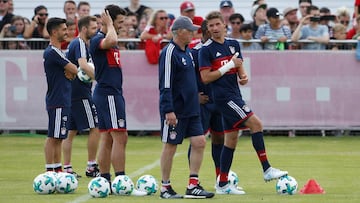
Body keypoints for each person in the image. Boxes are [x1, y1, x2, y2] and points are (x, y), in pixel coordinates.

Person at [198, 11, 288, 195]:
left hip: (235, 93)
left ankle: (222, 184)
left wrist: (242, 75)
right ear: (208, 28)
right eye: (211, 26)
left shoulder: (233, 44)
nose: (214, 28)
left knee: (231, 139)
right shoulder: (205, 50)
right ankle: (267, 169)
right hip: (224, 97)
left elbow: (238, 63)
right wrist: (229, 66)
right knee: (256, 124)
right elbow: (206, 78)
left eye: (217, 24)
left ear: (224, 25)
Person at [89, 4, 146, 196]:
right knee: (120, 136)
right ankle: (121, 182)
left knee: (107, 137)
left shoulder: (109, 39)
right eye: (120, 21)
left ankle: (105, 181)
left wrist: (111, 25)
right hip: (109, 94)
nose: (123, 25)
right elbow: (111, 38)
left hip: (110, 93)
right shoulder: (99, 38)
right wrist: (109, 25)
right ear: (110, 21)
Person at [158, 15, 214, 199]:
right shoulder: (168, 53)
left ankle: (193, 185)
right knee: (171, 146)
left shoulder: (188, 52)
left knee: (200, 142)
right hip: (176, 110)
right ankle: (165, 187)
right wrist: (168, 109)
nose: (193, 33)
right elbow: (165, 84)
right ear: (180, 32)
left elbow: (189, 81)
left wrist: (195, 96)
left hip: (192, 109)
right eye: (190, 30)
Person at [190, 19, 245, 193]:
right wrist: (194, 96)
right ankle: (193, 180)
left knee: (220, 139)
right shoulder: (196, 51)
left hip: (219, 102)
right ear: (204, 31)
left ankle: (220, 180)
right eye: (208, 28)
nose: (212, 30)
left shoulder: (224, 47)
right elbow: (188, 76)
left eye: (216, 26)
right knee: (197, 141)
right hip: (203, 102)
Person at [62, 15, 100, 179]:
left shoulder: (76, 44)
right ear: (84, 29)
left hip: (72, 92)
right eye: (93, 27)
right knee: (95, 127)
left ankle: (67, 168)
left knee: (70, 132)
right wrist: (100, 77)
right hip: (80, 93)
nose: (96, 30)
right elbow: (83, 65)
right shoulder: (80, 43)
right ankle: (91, 166)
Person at [43, 17, 77, 172]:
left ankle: (57, 169)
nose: (67, 32)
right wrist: (72, 71)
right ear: (54, 32)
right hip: (57, 99)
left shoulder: (59, 52)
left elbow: (72, 72)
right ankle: (50, 170)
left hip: (63, 99)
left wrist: (71, 71)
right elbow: (76, 70)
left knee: (59, 136)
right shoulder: (52, 52)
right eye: (64, 29)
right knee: (53, 137)